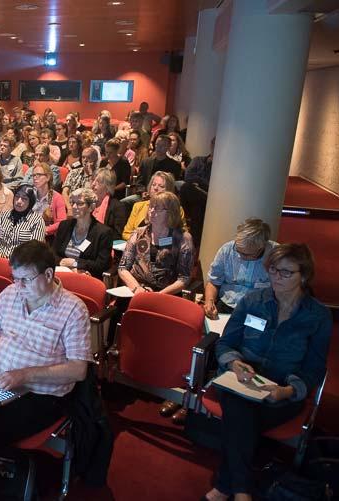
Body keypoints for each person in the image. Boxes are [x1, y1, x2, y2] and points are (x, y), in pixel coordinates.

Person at [0, 240, 91, 500]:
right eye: (15, 278)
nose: (19, 286)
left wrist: (24, 375)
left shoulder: (73, 310)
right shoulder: (10, 294)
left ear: (49, 274)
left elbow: (78, 369)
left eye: (25, 280)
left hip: (40, 395)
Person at [205, 244, 331, 501]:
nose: (276, 277)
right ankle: (241, 492)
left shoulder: (318, 316)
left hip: (281, 390)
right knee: (240, 406)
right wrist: (234, 363)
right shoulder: (253, 301)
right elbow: (226, 343)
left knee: (240, 417)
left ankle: (225, 487)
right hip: (240, 380)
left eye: (286, 273)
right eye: (273, 270)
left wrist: (288, 390)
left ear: (304, 275)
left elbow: (314, 368)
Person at [118, 191, 194, 295]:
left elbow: (184, 278)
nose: (152, 211)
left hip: (165, 294)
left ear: (171, 213)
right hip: (136, 290)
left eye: (158, 208)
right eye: (151, 207)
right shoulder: (139, 233)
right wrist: (138, 289)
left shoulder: (182, 239)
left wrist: (158, 295)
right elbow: (123, 267)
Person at [204, 218, 275, 319]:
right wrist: (209, 301)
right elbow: (213, 281)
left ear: (261, 247)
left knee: (252, 334)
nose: (239, 256)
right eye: (238, 250)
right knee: (214, 332)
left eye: (245, 254)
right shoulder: (227, 249)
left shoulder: (275, 255)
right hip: (227, 303)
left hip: (258, 309)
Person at [53, 187, 113, 278]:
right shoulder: (64, 226)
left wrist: (76, 263)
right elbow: (53, 253)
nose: (74, 207)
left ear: (91, 207)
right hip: (62, 274)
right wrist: (61, 262)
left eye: (80, 203)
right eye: (73, 203)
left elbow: (102, 264)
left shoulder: (103, 232)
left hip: (87, 276)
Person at [122, 172, 185, 240]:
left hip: (165, 248)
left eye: (161, 186)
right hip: (140, 247)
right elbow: (126, 233)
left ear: (169, 190)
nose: (155, 188)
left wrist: (158, 244)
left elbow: (181, 236)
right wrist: (141, 241)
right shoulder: (138, 206)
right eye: (153, 185)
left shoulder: (177, 209)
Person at [0, 184, 45, 258]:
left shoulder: (37, 221)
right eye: (17, 197)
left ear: (31, 202)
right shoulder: (2, 216)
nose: (19, 201)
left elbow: (34, 250)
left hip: (21, 265)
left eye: (24, 198)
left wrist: (15, 262)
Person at [90, 168, 127, 241]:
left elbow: (118, 234)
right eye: (93, 180)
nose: (93, 184)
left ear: (108, 187)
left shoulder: (118, 207)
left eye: (98, 182)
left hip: (105, 245)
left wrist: (98, 236)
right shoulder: (88, 203)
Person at [31, 162, 67, 237]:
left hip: (47, 237)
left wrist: (45, 229)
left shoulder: (57, 197)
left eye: (39, 175)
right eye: (33, 175)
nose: (35, 177)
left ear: (48, 177)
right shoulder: (30, 195)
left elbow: (62, 222)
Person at [62, 146, 98, 211]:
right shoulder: (73, 172)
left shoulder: (98, 175)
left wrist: (90, 173)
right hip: (70, 206)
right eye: (83, 157)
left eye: (88, 158)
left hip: (87, 210)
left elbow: (92, 195)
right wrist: (69, 208)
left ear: (95, 160)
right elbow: (64, 192)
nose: (85, 160)